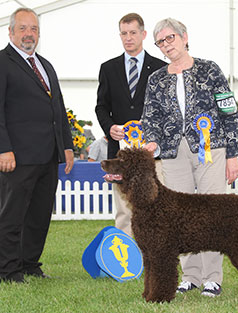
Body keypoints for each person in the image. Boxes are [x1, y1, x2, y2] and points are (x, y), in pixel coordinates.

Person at [141, 18, 238, 297]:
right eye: (160, 42)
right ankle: (191, 275)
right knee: (178, 216)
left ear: (185, 37)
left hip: (211, 148)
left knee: (211, 212)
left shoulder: (210, 70)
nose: (166, 45)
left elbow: (229, 111)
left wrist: (233, 155)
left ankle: (213, 277)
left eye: (170, 38)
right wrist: (151, 140)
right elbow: (149, 118)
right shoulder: (156, 79)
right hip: (172, 152)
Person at [0, 8, 74, 283]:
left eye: (33, 29)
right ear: (10, 32)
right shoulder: (3, 62)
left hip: (48, 155)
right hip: (16, 157)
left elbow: (58, 107)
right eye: (23, 28)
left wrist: (66, 146)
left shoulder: (45, 65)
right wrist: (2, 148)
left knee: (39, 215)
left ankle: (29, 263)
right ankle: (7, 270)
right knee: (12, 216)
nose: (29, 34)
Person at [95, 13, 166, 237]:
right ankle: (125, 263)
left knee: (155, 209)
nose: (128, 38)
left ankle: (154, 258)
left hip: (152, 154)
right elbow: (101, 107)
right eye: (124, 33)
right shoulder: (108, 68)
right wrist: (110, 127)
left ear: (143, 34)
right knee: (124, 211)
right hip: (121, 154)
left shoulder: (161, 68)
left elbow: (167, 111)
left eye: (133, 33)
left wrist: (154, 135)